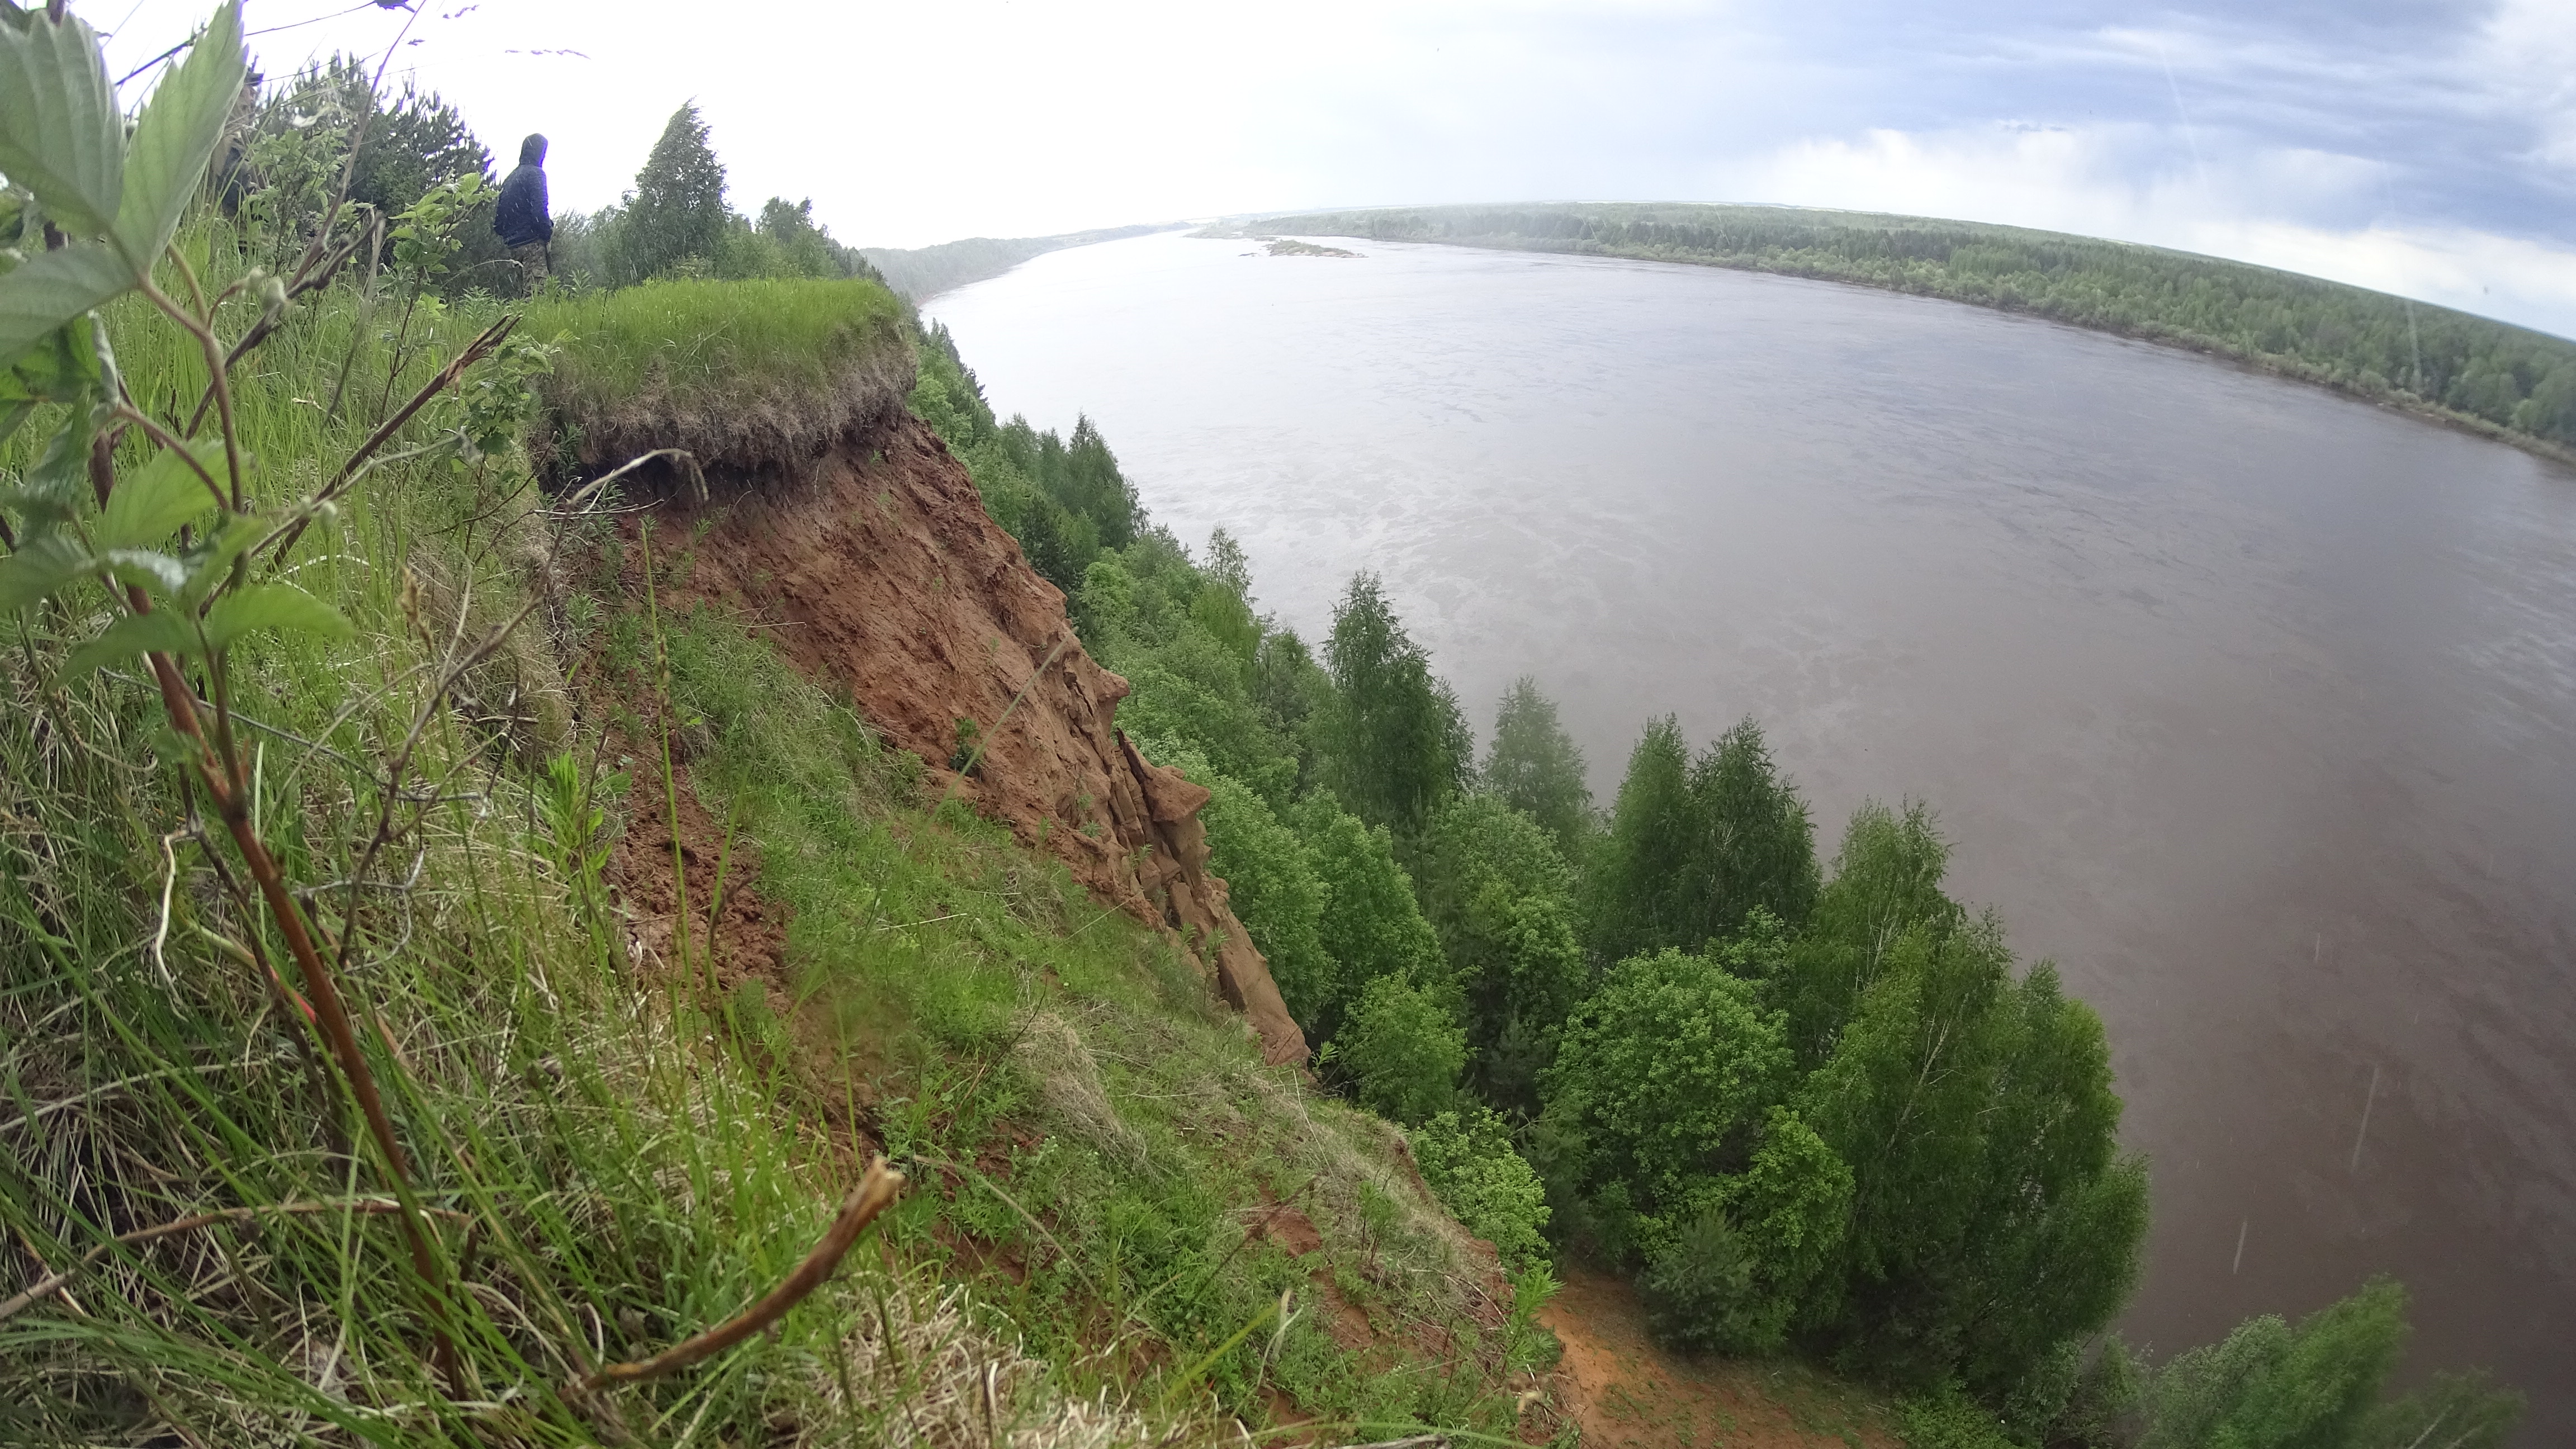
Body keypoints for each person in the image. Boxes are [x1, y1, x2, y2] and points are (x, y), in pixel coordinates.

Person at [494, 133, 552, 286]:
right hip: (533, 247)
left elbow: (498, 223)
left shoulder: (510, 179)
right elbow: (540, 212)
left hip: (513, 251)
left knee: (520, 301)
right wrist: (547, 234)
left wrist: (512, 236)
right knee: (536, 300)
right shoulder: (536, 174)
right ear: (540, 153)